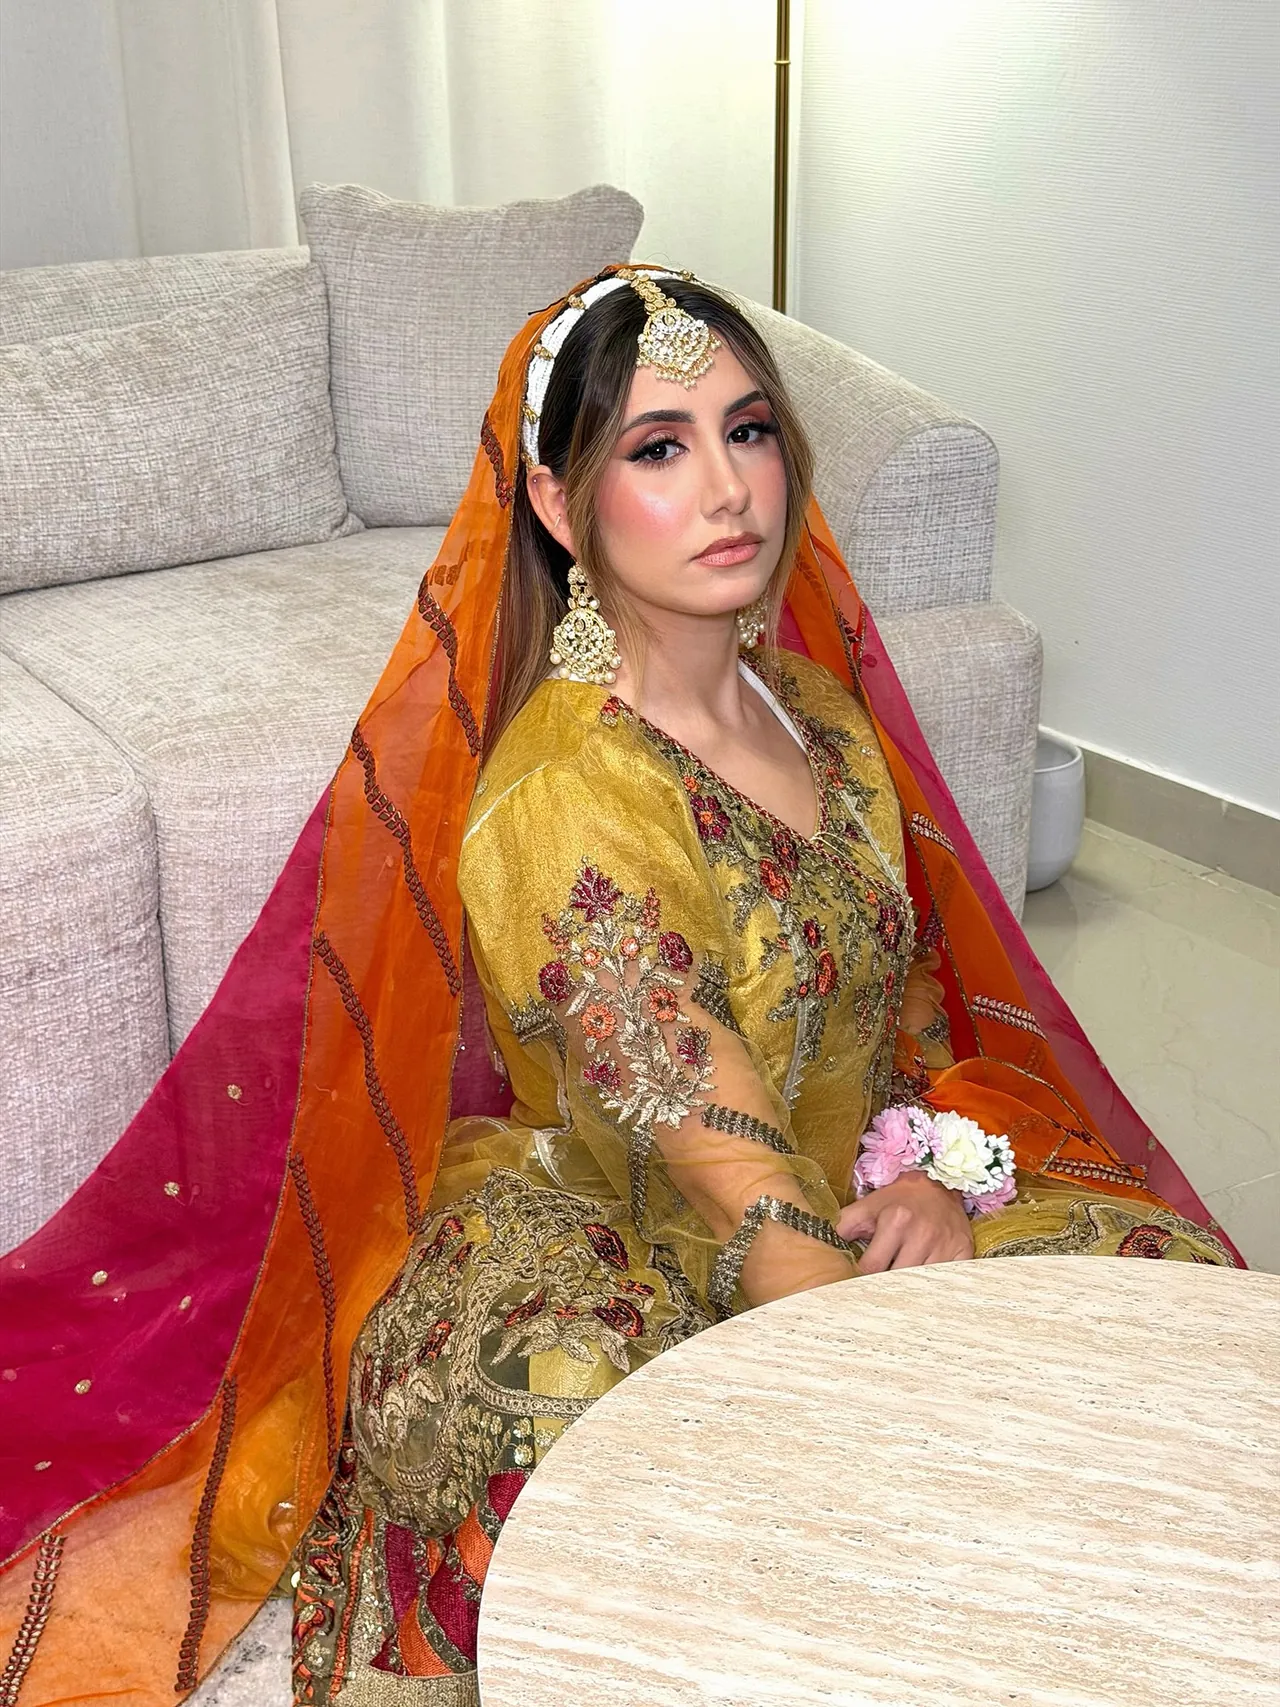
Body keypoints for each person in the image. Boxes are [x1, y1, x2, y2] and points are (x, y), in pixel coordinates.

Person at [0, 267, 1235, 1707]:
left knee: (1162, 1294)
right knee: (619, 1461)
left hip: (850, 1197)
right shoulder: (564, 794)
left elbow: (903, 1025)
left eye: (749, 430)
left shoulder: (822, 718)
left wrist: (930, 1184)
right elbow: (740, 1191)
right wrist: (895, 1405)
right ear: (555, 500)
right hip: (628, 1228)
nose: (728, 489)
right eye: (660, 448)